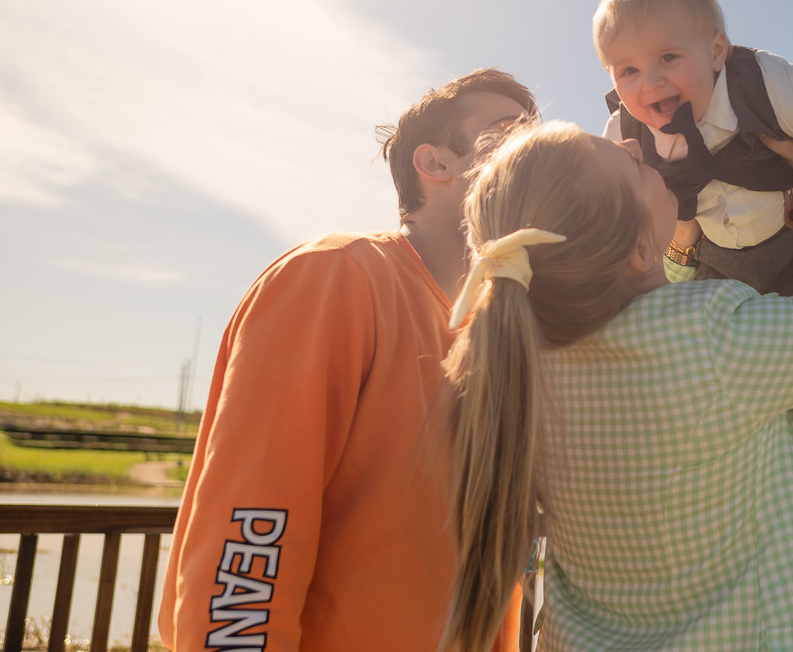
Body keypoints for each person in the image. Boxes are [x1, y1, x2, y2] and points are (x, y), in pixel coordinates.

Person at [439, 122, 793, 651]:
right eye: (627, 162)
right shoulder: (718, 340)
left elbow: (646, 318)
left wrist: (680, 246)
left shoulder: (520, 367)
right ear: (636, 254)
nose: (631, 141)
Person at [158, 69, 537, 652]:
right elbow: (254, 527)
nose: (536, 151)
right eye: (508, 134)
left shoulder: (499, 325)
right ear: (434, 165)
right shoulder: (335, 276)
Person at [596, 0, 793, 530]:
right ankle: (712, 491)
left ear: (717, 51)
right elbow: (618, 206)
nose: (649, 82)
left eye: (668, 57)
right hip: (714, 266)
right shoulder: (625, 129)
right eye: (627, 70)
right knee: (705, 381)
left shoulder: (760, 82)